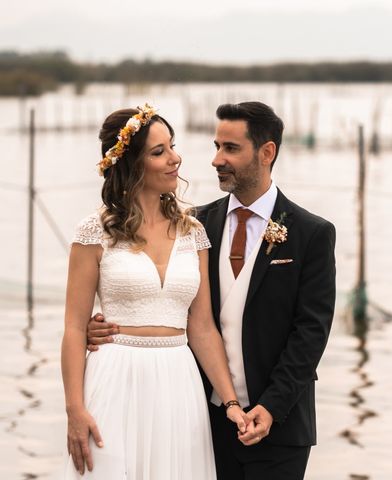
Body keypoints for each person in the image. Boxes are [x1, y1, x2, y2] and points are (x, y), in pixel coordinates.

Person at [89, 101, 337, 480]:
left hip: (281, 425)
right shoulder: (195, 225)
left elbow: (311, 333)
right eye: (216, 146)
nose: (216, 160)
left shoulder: (311, 233)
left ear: (266, 153)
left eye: (231, 149)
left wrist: (270, 407)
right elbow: (177, 309)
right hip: (199, 418)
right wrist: (109, 327)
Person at [60, 104, 248, 479]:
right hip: (115, 377)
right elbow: (73, 329)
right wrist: (74, 410)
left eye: (172, 147)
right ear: (131, 164)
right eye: (158, 152)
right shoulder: (95, 232)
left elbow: (203, 327)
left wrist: (230, 402)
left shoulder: (194, 231)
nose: (175, 159)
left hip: (179, 382)